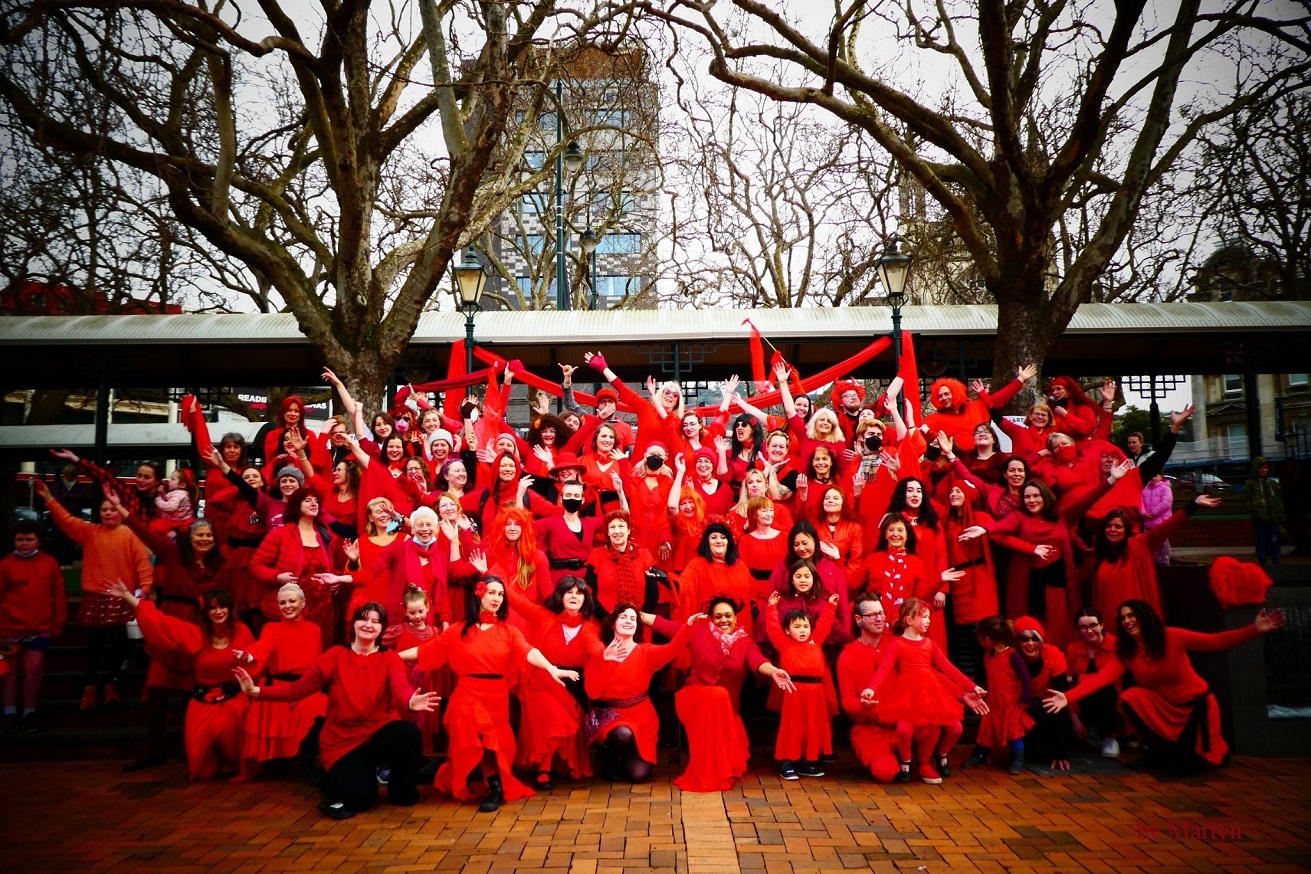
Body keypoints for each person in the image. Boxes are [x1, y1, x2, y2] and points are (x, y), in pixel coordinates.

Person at [235, 601, 437, 819]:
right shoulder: (335, 656)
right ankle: (340, 776)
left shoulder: (389, 658)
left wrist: (409, 701)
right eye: (363, 619)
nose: (368, 625)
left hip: (378, 730)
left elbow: (400, 687)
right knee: (360, 800)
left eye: (375, 621)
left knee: (408, 734)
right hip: (343, 740)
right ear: (355, 623)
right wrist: (256, 691)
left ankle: (400, 790)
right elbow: (298, 689)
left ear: (382, 628)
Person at [1045, 600, 1285, 775]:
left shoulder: (1173, 636)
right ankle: (1155, 752)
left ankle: (1186, 753)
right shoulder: (1127, 651)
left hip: (1195, 706)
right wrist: (1067, 697)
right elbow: (1102, 678)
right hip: (1163, 706)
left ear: (1145, 616)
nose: (1127, 621)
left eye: (1131, 615)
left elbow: (1216, 642)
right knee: (1131, 697)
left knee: (1201, 764)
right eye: (1123, 617)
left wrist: (1254, 630)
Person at [401, 576, 579, 811]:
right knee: (475, 725)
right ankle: (494, 784)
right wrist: (388, 657)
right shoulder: (458, 630)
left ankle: (485, 779)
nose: (496, 598)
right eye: (492, 593)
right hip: (467, 693)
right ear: (479, 594)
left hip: (496, 697)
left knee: (494, 744)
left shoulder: (509, 632)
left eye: (500, 594)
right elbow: (425, 651)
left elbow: (528, 651)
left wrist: (551, 668)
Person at [104, 581, 255, 781]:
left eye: (222, 606)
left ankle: (232, 762)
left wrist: (250, 661)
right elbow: (163, 624)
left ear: (230, 608)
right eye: (213, 608)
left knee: (226, 726)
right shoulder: (197, 634)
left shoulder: (242, 632)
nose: (218, 612)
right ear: (206, 612)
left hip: (234, 700)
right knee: (201, 769)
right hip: (204, 701)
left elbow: (257, 660)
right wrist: (129, 597)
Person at [643, 595, 794, 792]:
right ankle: (705, 772)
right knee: (717, 695)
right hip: (694, 697)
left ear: (736, 618)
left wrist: (773, 671)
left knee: (720, 696)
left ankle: (717, 766)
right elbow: (664, 625)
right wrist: (632, 613)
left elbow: (757, 660)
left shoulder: (745, 642)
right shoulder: (697, 631)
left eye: (728, 616)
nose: (724, 620)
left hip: (727, 708)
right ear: (711, 619)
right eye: (718, 616)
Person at [34, 478, 152, 711]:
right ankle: (89, 687)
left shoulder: (130, 535)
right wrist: (48, 498)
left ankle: (111, 683)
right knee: (94, 647)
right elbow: (66, 520)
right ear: (99, 513)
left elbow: (143, 565)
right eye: (104, 510)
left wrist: (146, 588)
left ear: (120, 511)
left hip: (121, 600)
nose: (108, 513)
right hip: (95, 598)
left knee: (119, 645)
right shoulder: (90, 532)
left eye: (112, 509)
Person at [860, 599, 987, 785]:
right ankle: (906, 763)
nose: (928, 621)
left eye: (929, 617)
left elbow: (948, 668)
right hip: (906, 693)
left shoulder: (929, 644)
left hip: (931, 692)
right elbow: (884, 669)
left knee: (948, 727)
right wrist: (871, 688)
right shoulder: (897, 644)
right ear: (909, 620)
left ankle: (936, 757)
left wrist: (971, 687)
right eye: (924, 617)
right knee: (904, 729)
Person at [499, 573, 602, 789]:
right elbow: (517, 601)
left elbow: (595, 648)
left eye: (579, 593)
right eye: (569, 592)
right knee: (555, 717)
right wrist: (487, 573)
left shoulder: (590, 628)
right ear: (560, 596)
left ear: (585, 600)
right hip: (541, 681)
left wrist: (607, 654)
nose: (574, 596)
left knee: (562, 717)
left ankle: (547, 766)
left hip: (571, 685)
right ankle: (543, 768)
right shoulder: (543, 616)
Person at [584, 603, 701, 783]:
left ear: (638, 626)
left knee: (638, 775)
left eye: (633, 619)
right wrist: (605, 661)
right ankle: (608, 757)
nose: (629, 621)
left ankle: (627, 756)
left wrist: (688, 627)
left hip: (642, 716)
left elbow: (671, 650)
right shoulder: (601, 653)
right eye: (623, 617)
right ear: (613, 624)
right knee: (623, 734)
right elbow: (592, 692)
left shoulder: (646, 652)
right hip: (611, 715)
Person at [235, 583, 326, 780]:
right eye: (282, 602)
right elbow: (263, 646)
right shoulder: (271, 628)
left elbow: (317, 663)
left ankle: (307, 763)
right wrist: (251, 655)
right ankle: (282, 760)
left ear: (303, 603)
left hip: (305, 689)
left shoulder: (314, 630)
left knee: (321, 707)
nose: (287, 606)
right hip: (278, 688)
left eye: (292, 601)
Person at [836, 595, 918, 783]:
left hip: (902, 722)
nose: (880, 619)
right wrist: (862, 705)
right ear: (859, 620)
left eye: (881, 613)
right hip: (869, 729)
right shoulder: (848, 656)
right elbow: (846, 702)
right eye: (873, 615)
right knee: (886, 773)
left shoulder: (897, 643)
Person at [0, 520, 67, 733]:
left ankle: (30, 712)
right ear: (13, 541)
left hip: (39, 628)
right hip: (8, 629)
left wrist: (58, 622)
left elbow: (58, 594)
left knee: (34, 670)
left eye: (29, 539)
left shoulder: (50, 563)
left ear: (39, 541)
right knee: (8, 673)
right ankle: (9, 713)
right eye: (20, 539)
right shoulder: (5, 564)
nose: (24, 543)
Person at [765, 590, 839, 780]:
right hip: (795, 691)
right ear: (788, 630)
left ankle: (806, 760)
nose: (803, 630)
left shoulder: (816, 642)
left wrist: (831, 606)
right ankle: (787, 761)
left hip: (816, 692)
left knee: (812, 726)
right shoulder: (785, 644)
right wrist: (772, 607)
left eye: (805, 626)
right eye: (797, 627)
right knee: (792, 726)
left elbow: (824, 625)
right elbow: (773, 628)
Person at [961, 616, 1033, 775]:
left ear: (987, 639)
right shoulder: (988, 655)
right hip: (993, 701)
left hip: (1011, 702)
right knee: (986, 729)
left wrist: (1026, 699)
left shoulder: (1012, 655)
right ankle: (980, 754)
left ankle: (1018, 758)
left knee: (1014, 731)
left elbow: (1025, 677)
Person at [675, 523, 754, 634]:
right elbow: (684, 585)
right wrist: (668, 581)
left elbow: (752, 594)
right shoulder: (697, 565)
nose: (718, 541)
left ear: (729, 542)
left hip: (739, 630)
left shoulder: (740, 566)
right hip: (708, 634)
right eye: (713, 537)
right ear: (707, 542)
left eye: (723, 537)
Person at [1064, 608, 1120, 759]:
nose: (1089, 631)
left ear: (1102, 624)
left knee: (1106, 689)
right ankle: (1089, 728)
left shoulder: (1116, 645)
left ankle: (1110, 738)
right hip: (1082, 700)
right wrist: (1074, 718)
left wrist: (1078, 678)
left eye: (1093, 625)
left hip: (1111, 698)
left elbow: (1111, 679)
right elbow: (1067, 684)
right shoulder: (1073, 648)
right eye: (1083, 627)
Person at [1245, 456, 1284, 565]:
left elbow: (1278, 498)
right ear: (1256, 469)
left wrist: (1279, 510)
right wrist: (1254, 509)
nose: (1263, 470)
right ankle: (1263, 560)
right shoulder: (1251, 483)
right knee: (1261, 540)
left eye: (1266, 468)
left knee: (1274, 539)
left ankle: (1276, 559)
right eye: (1261, 468)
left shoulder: (1272, 484)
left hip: (1273, 517)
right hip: (1259, 518)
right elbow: (1246, 498)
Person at [1139, 473, 1175, 565]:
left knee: (1163, 543)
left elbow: (1166, 502)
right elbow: (1140, 502)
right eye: (1151, 475)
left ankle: (1164, 561)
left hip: (1162, 522)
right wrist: (1144, 513)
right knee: (1151, 542)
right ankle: (1153, 561)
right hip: (1149, 523)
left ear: (1161, 477)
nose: (1153, 478)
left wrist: (1154, 513)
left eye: (1155, 475)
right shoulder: (1145, 490)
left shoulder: (1165, 488)